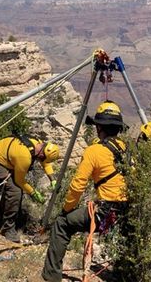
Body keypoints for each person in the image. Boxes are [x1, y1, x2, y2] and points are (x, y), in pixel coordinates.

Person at [42, 100, 129, 281]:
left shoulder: (94, 151)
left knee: (62, 224)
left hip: (106, 212)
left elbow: (78, 186)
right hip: (128, 211)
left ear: (99, 127)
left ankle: (51, 277)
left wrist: (66, 210)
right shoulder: (127, 149)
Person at [0, 135, 59, 243]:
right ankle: (7, 229)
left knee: (12, 188)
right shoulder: (24, 157)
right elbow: (20, 181)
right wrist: (33, 193)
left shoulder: (39, 144)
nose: (41, 160)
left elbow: (45, 163)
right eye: (42, 158)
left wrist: (52, 179)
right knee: (15, 191)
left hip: (5, 157)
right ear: (42, 153)